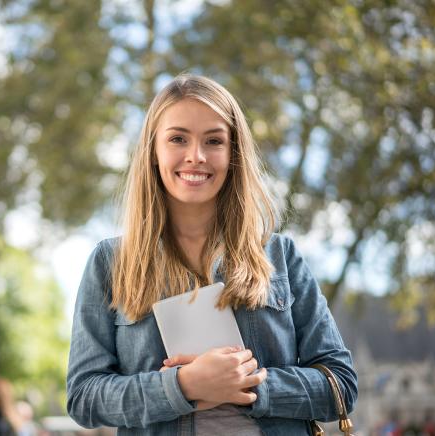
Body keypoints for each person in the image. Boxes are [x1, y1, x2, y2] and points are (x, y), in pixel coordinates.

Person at [66, 74, 357, 435]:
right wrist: (184, 386)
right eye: (177, 138)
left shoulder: (280, 256)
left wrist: (249, 386)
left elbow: (341, 385)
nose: (196, 156)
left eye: (214, 141)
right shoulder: (110, 263)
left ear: (233, 153)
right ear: (153, 151)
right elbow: (83, 398)